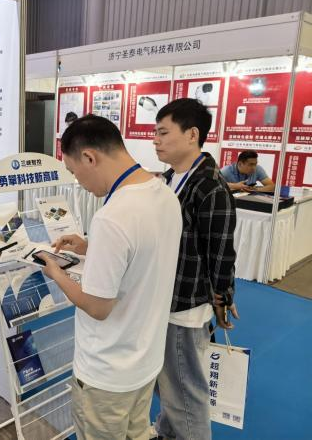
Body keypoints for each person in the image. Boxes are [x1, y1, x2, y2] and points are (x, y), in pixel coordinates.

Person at [39, 114, 182, 440]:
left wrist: (56, 273)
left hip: (106, 372)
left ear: (89, 157)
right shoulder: (164, 195)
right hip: (145, 360)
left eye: (74, 171)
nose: (79, 182)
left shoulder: (112, 216)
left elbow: (97, 307)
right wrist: (91, 247)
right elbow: (143, 255)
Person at [152, 98, 240, 440]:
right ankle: (166, 432)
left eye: (163, 132)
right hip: (165, 298)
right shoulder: (171, 178)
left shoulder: (209, 186)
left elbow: (221, 251)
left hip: (186, 306)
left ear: (192, 135)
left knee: (185, 393)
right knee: (170, 385)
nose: (156, 140)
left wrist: (223, 296)